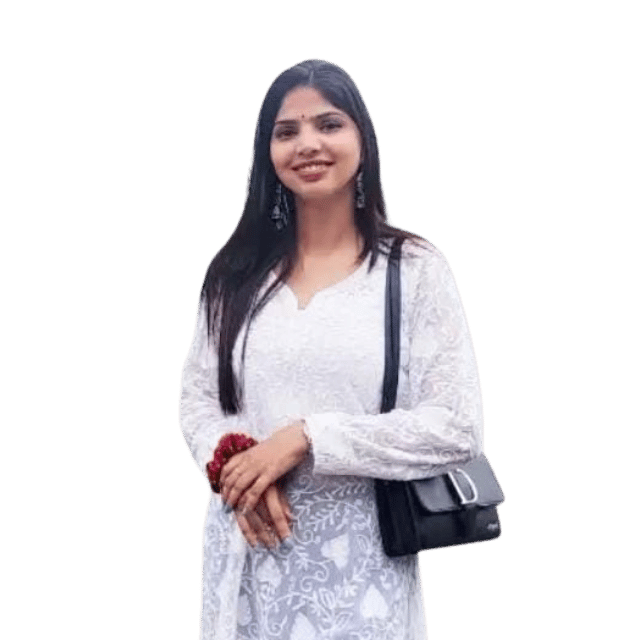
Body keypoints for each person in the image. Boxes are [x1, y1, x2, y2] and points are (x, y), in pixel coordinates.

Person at [178, 57, 485, 640]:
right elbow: (197, 400)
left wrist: (306, 438)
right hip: (244, 565)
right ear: (267, 153)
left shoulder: (414, 271)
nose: (307, 145)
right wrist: (237, 466)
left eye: (329, 124)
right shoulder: (234, 273)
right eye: (286, 131)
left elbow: (457, 427)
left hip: (360, 578)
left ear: (363, 140)